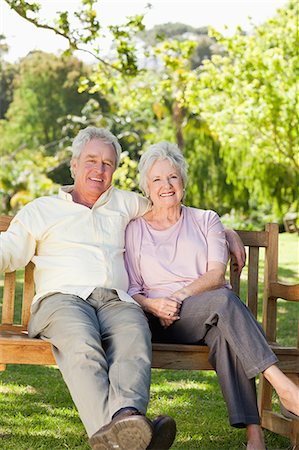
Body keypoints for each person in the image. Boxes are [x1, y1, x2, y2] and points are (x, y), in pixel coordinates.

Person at [0, 127, 178, 450]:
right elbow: (9, 249)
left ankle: (125, 420)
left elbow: (171, 211)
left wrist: (223, 233)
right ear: (74, 164)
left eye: (108, 164)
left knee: (134, 336)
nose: (99, 170)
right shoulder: (42, 210)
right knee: (83, 345)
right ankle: (128, 438)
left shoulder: (124, 204)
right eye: (92, 161)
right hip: (61, 300)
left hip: (115, 300)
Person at [124, 141, 299, 450]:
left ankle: (255, 437)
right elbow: (132, 289)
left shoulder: (206, 220)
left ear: (183, 183)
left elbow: (216, 275)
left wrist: (177, 297)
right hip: (154, 322)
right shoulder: (135, 229)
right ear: (147, 189)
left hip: (203, 315)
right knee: (225, 305)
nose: (166, 186)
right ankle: (283, 385)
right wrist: (155, 305)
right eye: (157, 180)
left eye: (173, 177)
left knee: (223, 328)